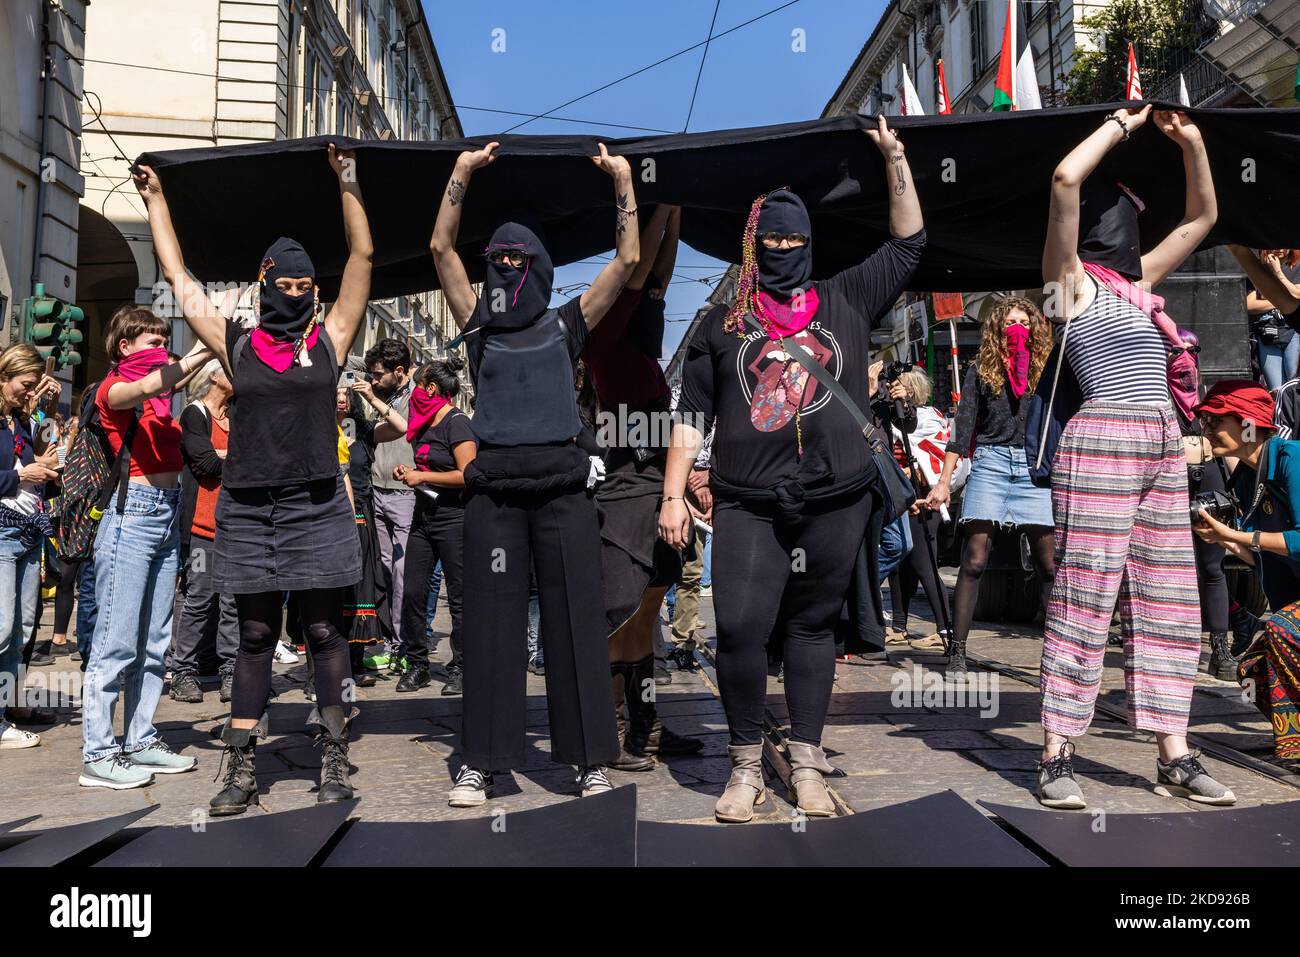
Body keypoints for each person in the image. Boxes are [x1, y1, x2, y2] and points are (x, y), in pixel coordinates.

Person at [662, 115, 925, 823]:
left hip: (836, 500)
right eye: (772, 240)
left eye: (795, 239)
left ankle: (805, 757)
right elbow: (692, 414)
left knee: (813, 629)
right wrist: (672, 492)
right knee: (742, 627)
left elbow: (909, 244)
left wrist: (895, 157)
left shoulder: (846, 297)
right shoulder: (720, 324)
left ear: (811, 243)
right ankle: (746, 760)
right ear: (753, 244)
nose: (784, 250)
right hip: (747, 501)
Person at [135, 142, 373, 815]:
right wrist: (156, 200)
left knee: (326, 634)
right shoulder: (235, 340)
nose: (294, 296)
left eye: (304, 288)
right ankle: (240, 766)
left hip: (319, 504)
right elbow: (180, 279)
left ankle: (332, 752)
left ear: (314, 292)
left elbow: (362, 259)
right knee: (256, 638)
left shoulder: (330, 338)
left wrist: (348, 179)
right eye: (284, 286)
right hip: (248, 510)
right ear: (264, 284)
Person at [1034, 105, 1234, 809]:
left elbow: (1202, 217)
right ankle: (1057, 751)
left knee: (1169, 599)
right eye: (1115, 213)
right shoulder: (1069, 285)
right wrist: (1123, 125)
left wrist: (1194, 143)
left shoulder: (1137, 280)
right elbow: (1063, 178)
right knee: (1086, 593)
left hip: (1159, 443)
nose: (1128, 225)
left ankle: (1173, 752)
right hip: (1102, 438)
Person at [429, 140, 638, 805]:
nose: (506, 269)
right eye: (499, 261)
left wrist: (624, 181)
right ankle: (481, 763)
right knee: (490, 628)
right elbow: (440, 250)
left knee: (575, 624)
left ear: (543, 268)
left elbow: (628, 258)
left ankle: (589, 761)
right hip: (494, 498)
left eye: (519, 261)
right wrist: (460, 174)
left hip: (564, 496)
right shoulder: (478, 324)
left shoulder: (567, 323)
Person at [583, 204, 703, 771]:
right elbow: (639, 268)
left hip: (656, 484)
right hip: (626, 486)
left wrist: (674, 214)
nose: (658, 300)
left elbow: (659, 276)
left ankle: (646, 727)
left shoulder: (646, 352)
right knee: (623, 616)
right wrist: (655, 215)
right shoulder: (606, 331)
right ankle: (611, 733)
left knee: (649, 618)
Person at [80, 309, 212, 788]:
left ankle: (139, 739)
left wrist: (215, 336)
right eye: (149, 340)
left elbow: (183, 369)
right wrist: (200, 351)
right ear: (124, 347)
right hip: (129, 516)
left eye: (163, 338)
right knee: (115, 642)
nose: (160, 345)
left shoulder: (164, 400)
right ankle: (97, 753)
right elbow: (154, 382)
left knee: (155, 640)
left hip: (165, 511)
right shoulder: (113, 388)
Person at [925, 296, 1055, 676]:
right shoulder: (981, 370)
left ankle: (1059, 655)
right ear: (997, 330)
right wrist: (944, 483)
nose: (1018, 330)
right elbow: (962, 429)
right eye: (1011, 323)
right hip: (991, 463)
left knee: (1049, 565)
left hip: (1035, 469)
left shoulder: (1047, 370)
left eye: (1025, 323)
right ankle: (959, 651)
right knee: (975, 559)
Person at [1193, 381, 1300, 768]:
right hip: (1293, 601)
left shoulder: (1293, 460)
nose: (1205, 429)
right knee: (1250, 671)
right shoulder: (1245, 478)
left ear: (1247, 423)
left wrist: (1237, 535)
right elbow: (1265, 556)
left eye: (1214, 420)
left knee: (1282, 630)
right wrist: (1225, 542)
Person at [386, 357, 474, 696]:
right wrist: (410, 471)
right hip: (423, 518)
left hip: (455, 519)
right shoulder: (423, 424)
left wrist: (422, 475)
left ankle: (462, 667)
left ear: (431, 388)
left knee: (459, 598)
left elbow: (468, 473)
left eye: (416, 384)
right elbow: (427, 464)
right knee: (412, 592)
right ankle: (417, 665)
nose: (413, 392)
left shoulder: (457, 423)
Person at [0, 346, 60, 749]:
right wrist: (23, 474)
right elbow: (22, 472)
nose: (28, 392)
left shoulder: (21, 420)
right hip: (2, 531)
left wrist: (48, 412)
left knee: (20, 628)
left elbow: (45, 462)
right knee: (2, 628)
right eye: (25, 385)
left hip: (27, 530)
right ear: (3, 378)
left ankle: (7, 710)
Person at [170, 359, 237, 704]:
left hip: (237, 527)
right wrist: (236, 457)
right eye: (231, 369)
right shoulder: (194, 415)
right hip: (202, 526)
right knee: (198, 598)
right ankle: (183, 670)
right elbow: (207, 464)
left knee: (232, 603)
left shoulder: (239, 414)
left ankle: (229, 670)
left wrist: (225, 453)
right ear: (213, 375)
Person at [340, 367, 404, 684]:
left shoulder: (363, 429)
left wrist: (371, 396)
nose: (341, 397)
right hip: (330, 516)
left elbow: (401, 426)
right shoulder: (317, 428)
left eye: (345, 392)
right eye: (335, 392)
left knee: (361, 587)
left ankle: (355, 662)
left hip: (361, 516)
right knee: (331, 593)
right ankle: (324, 671)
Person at [887, 368, 954, 655]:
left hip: (923, 499)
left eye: (897, 386)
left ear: (910, 390)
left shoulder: (924, 419)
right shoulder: (899, 417)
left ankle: (946, 630)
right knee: (900, 565)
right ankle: (899, 626)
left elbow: (928, 459)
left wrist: (900, 476)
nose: (890, 390)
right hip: (906, 496)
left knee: (924, 564)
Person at [365, 338, 416, 657]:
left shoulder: (420, 393)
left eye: (378, 374)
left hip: (405, 494)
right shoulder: (382, 389)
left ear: (399, 371)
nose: (371, 379)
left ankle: (403, 640)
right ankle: (385, 636)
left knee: (402, 570)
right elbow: (353, 362)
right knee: (382, 569)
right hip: (376, 490)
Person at [1242, 249, 1300, 391]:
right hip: (1267, 334)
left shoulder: (1297, 267)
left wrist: (1277, 272)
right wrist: (1284, 301)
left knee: (1294, 385)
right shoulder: (1259, 270)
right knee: (1276, 389)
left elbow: (1297, 295)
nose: (1279, 248)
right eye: (1273, 245)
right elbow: (1249, 304)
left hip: (1293, 332)